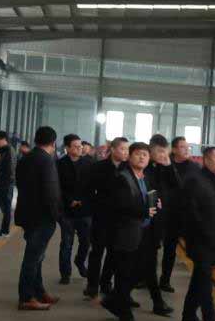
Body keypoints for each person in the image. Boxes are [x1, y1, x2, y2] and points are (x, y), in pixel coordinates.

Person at [101, 142, 158, 321]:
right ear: (130, 156)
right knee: (124, 274)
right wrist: (144, 210)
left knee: (138, 271)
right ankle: (124, 314)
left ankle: (112, 301)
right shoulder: (122, 178)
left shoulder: (144, 177)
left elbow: (145, 198)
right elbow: (121, 205)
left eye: (145, 155)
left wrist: (155, 203)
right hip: (124, 233)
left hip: (142, 231)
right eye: (138, 154)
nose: (142, 157)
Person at [14, 126, 63, 311]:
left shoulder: (26, 158)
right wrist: (56, 215)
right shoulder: (46, 160)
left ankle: (39, 291)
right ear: (53, 142)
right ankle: (26, 297)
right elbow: (51, 191)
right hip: (42, 217)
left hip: (28, 215)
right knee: (33, 258)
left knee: (37, 257)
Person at [181, 146, 215, 321]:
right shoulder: (195, 180)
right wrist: (201, 233)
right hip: (200, 239)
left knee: (199, 278)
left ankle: (188, 314)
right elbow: (190, 212)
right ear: (206, 160)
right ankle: (210, 319)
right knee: (205, 280)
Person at [133, 135, 175, 316]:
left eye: (165, 151)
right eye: (160, 151)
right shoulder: (142, 170)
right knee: (140, 264)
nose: (163, 155)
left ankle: (119, 297)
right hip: (140, 225)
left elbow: (176, 186)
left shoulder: (162, 167)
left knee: (146, 264)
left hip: (154, 225)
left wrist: (168, 165)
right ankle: (155, 301)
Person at [84, 136, 129, 298]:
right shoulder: (99, 167)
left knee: (113, 252)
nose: (126, 152)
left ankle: (106, 283)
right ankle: (92, 285)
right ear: (113, 149)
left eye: (127, 149)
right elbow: (88, 190)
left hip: (120, 218)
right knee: (97, 251)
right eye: (122, 149)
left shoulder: (128, 168)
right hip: (101, 216)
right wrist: (93, 208)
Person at [160, 136, 201, 293]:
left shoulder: (194, 168)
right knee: (168, 249)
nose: (186, 150)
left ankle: (196, 284)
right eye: (183, 147)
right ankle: (164, 280)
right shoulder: (165, 165)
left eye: (187, 147)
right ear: (174, 149)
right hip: (169, 214)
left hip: (187, 215)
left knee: (194, 249)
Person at [57, 133, 94, 285]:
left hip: (85, 210)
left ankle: (79, 261)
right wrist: (69, 200)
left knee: (86, 242)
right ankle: (65, 273)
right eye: (76, 146)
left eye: (80, 146)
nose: (80, 149)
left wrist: (84, 200)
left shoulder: (89, 163)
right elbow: (57, 187)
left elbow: (93, 186)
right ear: (67, 148)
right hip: (67, 211)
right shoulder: (60, 164)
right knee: (67, 243)